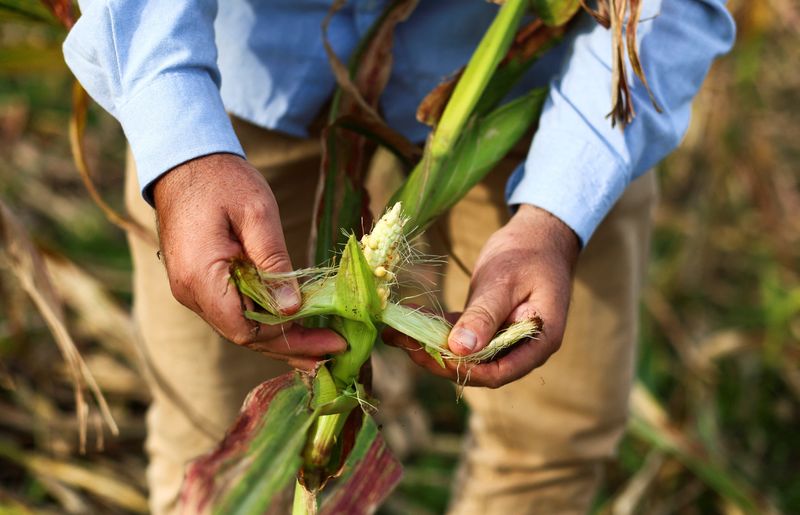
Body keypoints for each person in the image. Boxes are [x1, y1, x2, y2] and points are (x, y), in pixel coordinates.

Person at [63, 1, 735, 513]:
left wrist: (556, 210)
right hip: (239, 73)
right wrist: (180, 137)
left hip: (541, 81)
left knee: (552, 432)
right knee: (216, 444)